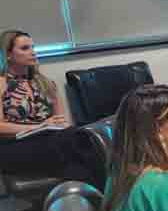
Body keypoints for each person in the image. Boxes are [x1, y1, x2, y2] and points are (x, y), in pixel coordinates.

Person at [0, 30, 97, 183]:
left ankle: (96, 202)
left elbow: (61, 120)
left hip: (49, 141)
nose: (33, 52)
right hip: (13, 146)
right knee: (81, 143)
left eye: (33, 47)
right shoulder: (1, 83)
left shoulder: (45, 82)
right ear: (8, 55)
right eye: (25, 48)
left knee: (81, 163)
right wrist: (38, 126)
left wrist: (58, 125)